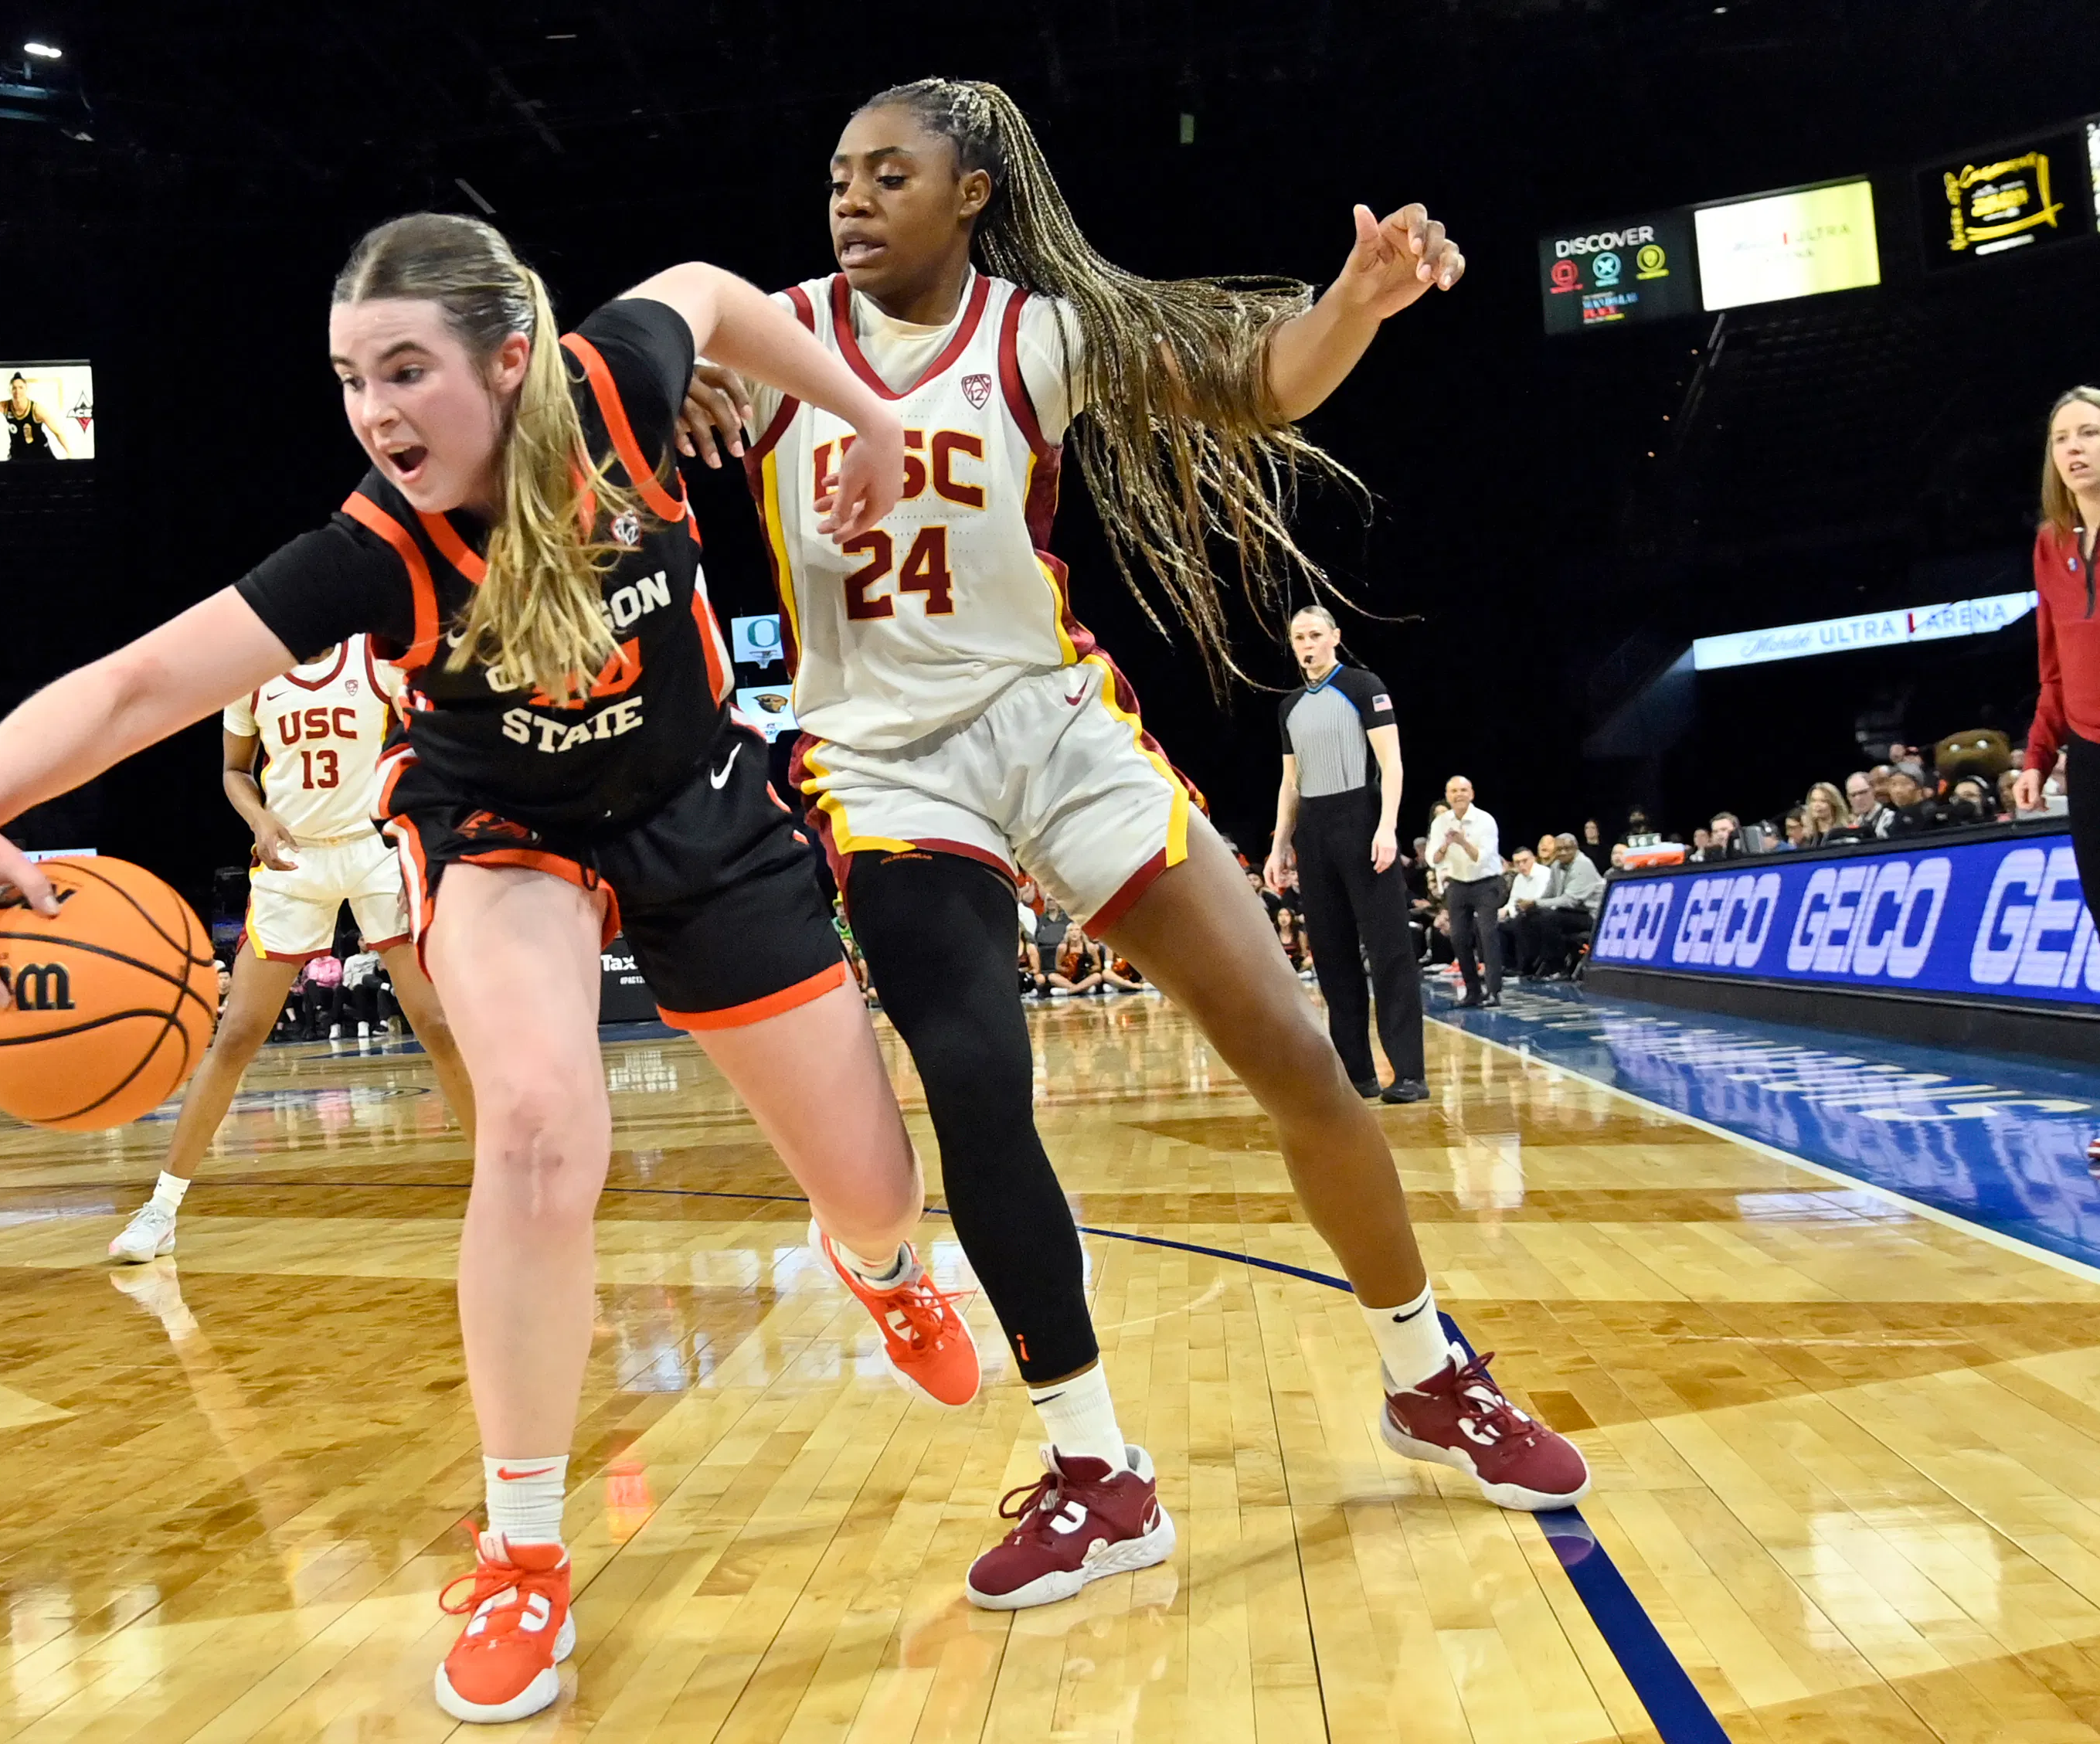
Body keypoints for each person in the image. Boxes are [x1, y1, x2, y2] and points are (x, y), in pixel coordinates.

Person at [0, 213, 985, 1726]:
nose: (373, 412)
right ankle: (523, 1555)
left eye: (404, 369)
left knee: (876, 1191)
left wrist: (866, 416)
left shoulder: (614, 385)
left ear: (506, 359)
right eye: (351, 379)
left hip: (697, 809)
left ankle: (871, 1264)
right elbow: (142, 682)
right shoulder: (373, 552)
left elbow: (709, 291)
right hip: (504, 840)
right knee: (536, 1127)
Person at [677, 75, 1585, 1611]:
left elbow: (1260, 383)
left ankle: (1425, 1370)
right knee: (978, 1080)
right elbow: (633, 384)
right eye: (837, 174)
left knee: (1291, 1048)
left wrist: (1355, 301)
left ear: (970, 194)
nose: (850, 197)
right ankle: (1094, 1471)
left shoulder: (1038, 334)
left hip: (1051, 726)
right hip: (881, 765)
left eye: (887, 173)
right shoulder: (770, 336)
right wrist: (667, 387)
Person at [110, 637, 474, 1263]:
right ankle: (161, 1210)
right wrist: (259, 819)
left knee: (437, 1024)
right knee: (237, 1034)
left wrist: (426, 829)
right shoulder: (251, 677)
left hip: (373, 848)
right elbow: (234, 771)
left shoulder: (375, 659)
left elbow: (432, 742)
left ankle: (506, 1191)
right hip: (292, 856)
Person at [1265, 605, 1425, 1101]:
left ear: (1335, 637)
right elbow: (1290, 783)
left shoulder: (1362, 685)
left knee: (1389, 950)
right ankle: (1357, 1074)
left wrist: (1387, 826)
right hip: (1314, 833)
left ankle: (1410, 1074)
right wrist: (1280, 844)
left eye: (1315, 635)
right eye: (1299, 638)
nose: (1307, 645)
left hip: (1363, 821)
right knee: (1332, 956)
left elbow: (1392, 763)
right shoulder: (1289, 706)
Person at [2015, 386, 2099, 1168]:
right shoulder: (2050, 545)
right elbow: (2051, 670)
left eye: (2088, 433)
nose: (2073, 448)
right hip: (2089, 758)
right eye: (2060, 438)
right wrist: (2036, 756)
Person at [1423, 776, 1504, 1006]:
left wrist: (1462, 842)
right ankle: (1472, 991)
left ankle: (1494, 991)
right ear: (1447, 796)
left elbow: (1481, 858)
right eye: (1454, 791)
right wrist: (1446, 844)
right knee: (1458, 937)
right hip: (1458, 883)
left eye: (1463, 790)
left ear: (1472, 794)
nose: (1459, 794)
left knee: (1487, 934)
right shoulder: (1440, 823)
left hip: (1486, 882)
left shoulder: (1485, 820)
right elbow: (1432, 859)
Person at [1519, 834, 1602, 980]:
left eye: (1567, 848)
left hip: (1590, 914)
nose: (1563, 852)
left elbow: (1570, 901)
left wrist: (1536, 903)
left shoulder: (1583, 865)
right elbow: (1549, 894)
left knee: (1550, 918)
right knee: (1528, 916)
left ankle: (1556, 966)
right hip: (1569, 912)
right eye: (1559, 849)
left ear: (1576, 849)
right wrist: (1530, 905)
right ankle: (1530, 965)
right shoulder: (1556, 865)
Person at [0, 372, 75, 461]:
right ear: (10, 390)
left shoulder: (37, 409)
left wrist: (69, 452)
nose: (17, 391)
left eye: (21, 387)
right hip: (18, 451)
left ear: (26, 389)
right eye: (14, 388)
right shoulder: (5, 406)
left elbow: (57, 432)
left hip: (40, 451)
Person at [1497, 846, 1547, 977]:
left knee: (1520, 922)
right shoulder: (1519, 878)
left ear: (1533, 859)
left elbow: (1540, 899)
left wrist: (1521, 908)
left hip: (1539, 913)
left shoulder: (1544, 874)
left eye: (1525, 861)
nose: (1521, 865)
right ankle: (1505, 965)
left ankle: (1524, 967)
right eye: (1517, 863)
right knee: (1497, 925)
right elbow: (1512, 902)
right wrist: (1504, 911)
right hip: (1520, 913)